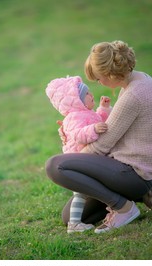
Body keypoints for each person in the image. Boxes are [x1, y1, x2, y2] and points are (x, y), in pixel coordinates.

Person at [45, 40, 152, 234]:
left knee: (56, 166)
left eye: (99, 78)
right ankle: (142, 195)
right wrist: (74, 137)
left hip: (134, 173)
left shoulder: (132, 96)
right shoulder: (140, 81)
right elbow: (115, 131)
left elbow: (101, 146)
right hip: (133, 169)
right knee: (70, 216)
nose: (99, 83)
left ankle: (124, 208)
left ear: (110, 73)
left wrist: (72, 154)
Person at [46, 75, 111, 233]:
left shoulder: (85, 114)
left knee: (84, 192)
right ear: (77, 100)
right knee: (80, 194)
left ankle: (109, 210)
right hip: (78, 161)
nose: (91, 95)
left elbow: (99, 122)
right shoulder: (74, 117)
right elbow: (77, 134)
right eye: (87, 94)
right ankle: (74, 224)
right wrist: (93, 130)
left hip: (84, 159)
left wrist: (103, 109)